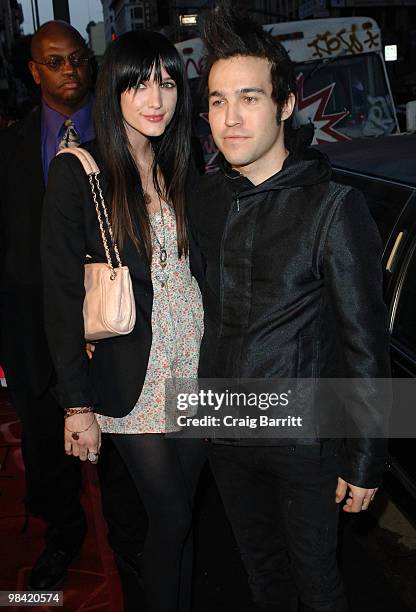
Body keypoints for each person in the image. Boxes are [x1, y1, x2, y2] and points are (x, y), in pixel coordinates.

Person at [188, 6, 391, 612]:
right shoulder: (203, 199)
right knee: (260, 575)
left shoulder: (334, 207)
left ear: (284, 105)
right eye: (218, 101)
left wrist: (366, 456)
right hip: (222, 423)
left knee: (318, 583)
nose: (231, 117)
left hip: (304, 435)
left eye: (248, 97)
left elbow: (366, 344)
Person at [41, 31, 206, 612]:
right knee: (171, 512)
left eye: (165, 82)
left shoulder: (182, 163)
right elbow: (59, 299)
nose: (153, 97)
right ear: (113, 89)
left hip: (197, 363)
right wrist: (76, 404)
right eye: (137, 83)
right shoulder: (79, 170)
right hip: (133, 372)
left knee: (182, 519)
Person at [0, 20, 145, 593]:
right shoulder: (12, 145)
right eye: (54, 62)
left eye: (78, 59)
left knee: (121, 443)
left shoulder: (125, 134)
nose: (70, 72)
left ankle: (130, 544)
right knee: (44, 443)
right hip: (34, 326)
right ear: (34, 72)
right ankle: (64, 534)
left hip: (116, 320)